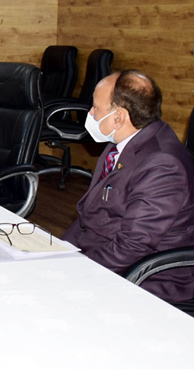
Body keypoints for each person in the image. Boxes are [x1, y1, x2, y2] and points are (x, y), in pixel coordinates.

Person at [63, 70, 194, 302]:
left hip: (148, 278)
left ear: (118, 118)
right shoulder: (121, 143)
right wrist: (58, 252)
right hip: (108, 255)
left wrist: (75, 270)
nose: (91, 113)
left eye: (95, 108)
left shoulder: (163, 165)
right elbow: (88, 218)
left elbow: (133, 246)